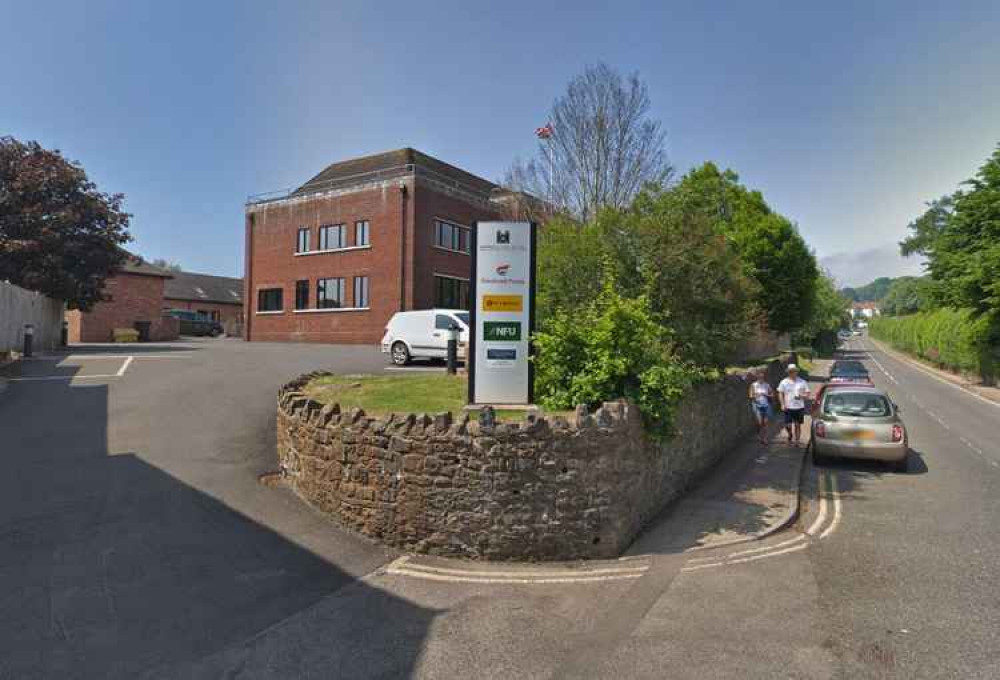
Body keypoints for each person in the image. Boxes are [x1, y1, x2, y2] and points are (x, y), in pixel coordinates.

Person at [777, 363, 810, 446]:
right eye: (790, 371)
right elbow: (780, 393)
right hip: (788, 407)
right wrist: (782, 404)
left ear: (796, 372)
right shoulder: (784, 382)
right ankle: (790, 434)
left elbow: (807, 394)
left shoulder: (802, 382)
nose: (792, 373)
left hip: (799, 407)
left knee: (797, 425)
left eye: (794, 371)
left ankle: (797, 441)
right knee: (787, 425)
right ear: (788, 372)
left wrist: (802, 396)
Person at [748, 370, 773, 445]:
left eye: (762, 377)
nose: (761, 378)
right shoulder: (753, 385)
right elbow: (750, 396)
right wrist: (756, 396)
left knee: (765, 422)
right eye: (759, 377)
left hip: (766, 405)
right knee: (760, 423)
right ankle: (760, 434)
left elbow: (772, 395)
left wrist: (766, 395)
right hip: (757, 405)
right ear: (757, 377)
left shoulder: (767, 385)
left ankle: (764, 438)